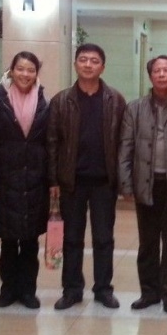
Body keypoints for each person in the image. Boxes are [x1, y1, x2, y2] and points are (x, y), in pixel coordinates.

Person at [47, 44, 127, 310]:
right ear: (75, 64)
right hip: (71, 182)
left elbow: (124, 142)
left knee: (104, 239)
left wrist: (122, 179)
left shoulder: (115, 100)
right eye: (83, 60)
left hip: (104, 182)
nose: (88, 65)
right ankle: (72, 290)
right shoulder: (61, 101)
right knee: (71, 239)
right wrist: (53, 180)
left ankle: (103, 289)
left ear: (103, 67)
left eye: (94, 61)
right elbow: (52, 142)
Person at [118, 55, 167, 314]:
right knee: (148, 242)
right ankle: (149, 292)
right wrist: (126, 183)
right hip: (146, 183)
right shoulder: (134, 108)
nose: (162, 75)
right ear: (150, 75)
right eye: (156, 71)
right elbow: (126, 148)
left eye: (166, 70)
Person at [0, 52, 50, 310]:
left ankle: (28, 291)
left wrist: (51, 180)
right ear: (11, 70)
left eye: (30, 70)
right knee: (8, 242)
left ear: (36, 73)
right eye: (20, 69)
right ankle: (8, 290)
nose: (25, 74)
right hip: (5, 180)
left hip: (35, 181)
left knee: (30, 242)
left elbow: (49, 144)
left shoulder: (44, 101)